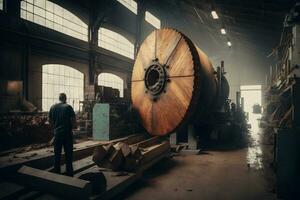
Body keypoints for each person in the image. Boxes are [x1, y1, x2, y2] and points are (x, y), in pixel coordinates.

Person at [49, 93, 76, 176]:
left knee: (57, 154)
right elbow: (73, 120)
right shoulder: (68, 107)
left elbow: (50, 121)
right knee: (68, 154)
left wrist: (55, 130)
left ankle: (57, 172)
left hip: (57, 134)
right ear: (65, 98)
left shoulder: (52, 107)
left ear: (59, 98)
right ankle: (69, 172)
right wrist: (73, 128)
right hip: (67, 134)